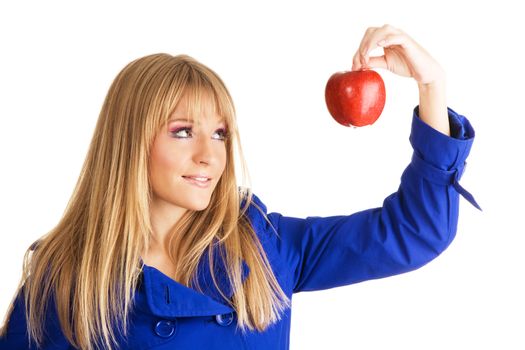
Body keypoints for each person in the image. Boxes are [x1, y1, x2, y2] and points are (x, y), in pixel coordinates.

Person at [0, 24, 480, 350]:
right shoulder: (64, 276)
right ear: (129, 142)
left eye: (221, 134)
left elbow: (415, 233)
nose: (210, 154)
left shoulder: (262, 245)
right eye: (183, 131)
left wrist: (431, 86)